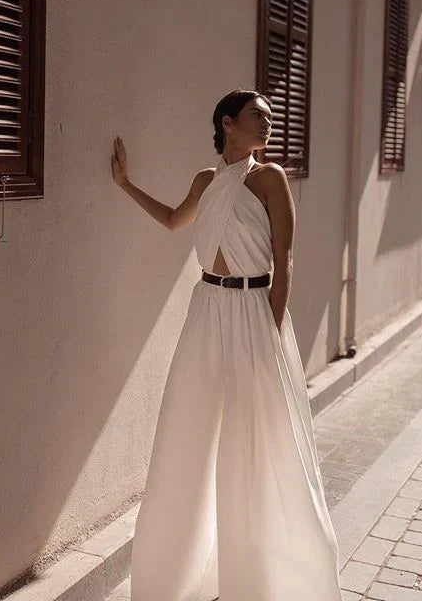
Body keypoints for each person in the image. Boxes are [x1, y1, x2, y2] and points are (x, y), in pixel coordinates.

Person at [110, 89, 342, 601]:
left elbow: (285, 265)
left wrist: (270, 333)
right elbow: (175, 220)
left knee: (258, 443)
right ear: (227, 122)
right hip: (206, 311)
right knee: (186, 432)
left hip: (254, 312)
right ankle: (178, 579)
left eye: (270, 118)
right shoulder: (206, 181)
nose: (268, 124)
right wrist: (126, 185)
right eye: (258, 116)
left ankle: (269, 578)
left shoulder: (270, 179)